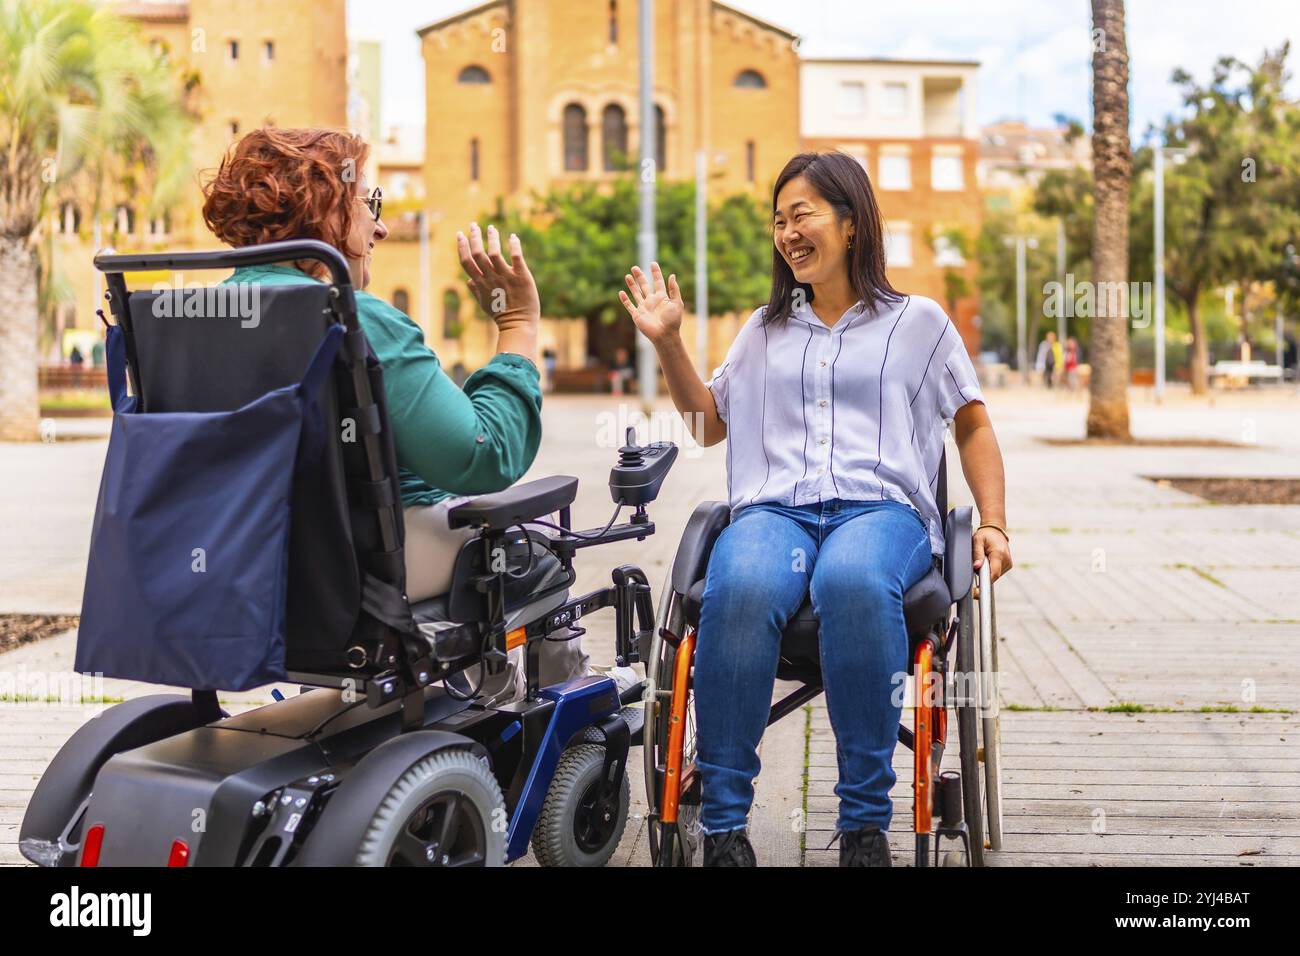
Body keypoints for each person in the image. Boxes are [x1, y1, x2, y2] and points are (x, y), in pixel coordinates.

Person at [618, 150, 1012, 867]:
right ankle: (726, 827)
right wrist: (671, 343)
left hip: (880, 514)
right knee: (739, 586)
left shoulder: (917, 322)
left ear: (852, 223)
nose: (787, 232)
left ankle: (864, 824)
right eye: (779, 221)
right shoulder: (762, 332)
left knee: (851, 582)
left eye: (801, 215)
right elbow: (707, 427)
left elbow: (973, 423)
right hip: (776, 514)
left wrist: (991, 521)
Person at [201, 128, 628, 705]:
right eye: (368, 206)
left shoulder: (200, 316)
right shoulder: (355, 320)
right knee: (538, 552)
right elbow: (482, 454)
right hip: (357, 569)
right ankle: (546, 720)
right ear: (326, 212)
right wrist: (518, 326)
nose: (379, 227)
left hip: (238, 566)